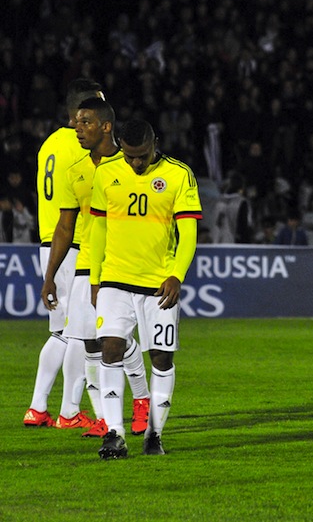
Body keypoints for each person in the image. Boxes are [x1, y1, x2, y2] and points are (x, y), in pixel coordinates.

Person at [90, 119, 202, 458]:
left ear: (156, 143)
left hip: (158, 284)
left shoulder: (179, 174)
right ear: (121, 145)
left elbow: (188, 234)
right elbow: (98, 229)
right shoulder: (106, 173)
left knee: (161, 357)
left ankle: (154, 433)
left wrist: (177, 275)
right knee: (110, 349)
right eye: (129, 156)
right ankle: (114, 433)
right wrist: (95, 278)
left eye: (142, 156)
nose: (136, 163)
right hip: (115, 278)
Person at [40, 97, 151, 438]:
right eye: (76, 121)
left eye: (85, 122)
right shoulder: (76, 173)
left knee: (111, 340)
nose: (77, 127)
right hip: (86, 264)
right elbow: (64, 227)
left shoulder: (130, 163)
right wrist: (50, 278)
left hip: (121, 264)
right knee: (89, 343)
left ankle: (142, 402)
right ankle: (106, 416)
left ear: (106, 126)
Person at [23, 79, 101, 428]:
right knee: (81, 333)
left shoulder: (49, 144)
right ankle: (69, 411)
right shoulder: (83, 145)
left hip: (48, 243)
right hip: (73, 243)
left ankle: (38, 408)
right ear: (81, 112)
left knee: (60, 332)